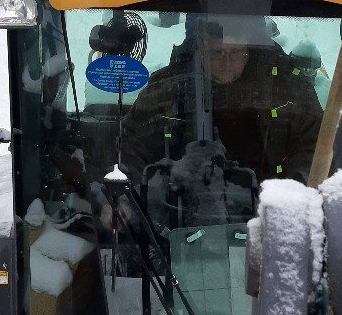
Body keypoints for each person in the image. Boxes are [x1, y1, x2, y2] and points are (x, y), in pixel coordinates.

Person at [120, 15, 323, 198]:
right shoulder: (170, 87)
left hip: (270, 214)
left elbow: (316, 144)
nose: (226, 62)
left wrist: (298, 191)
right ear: (200, 49)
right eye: (217, 52)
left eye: (236, 52)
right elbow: (130, 144)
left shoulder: (285, 87)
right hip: (176, 215)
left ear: (248, 50)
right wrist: (125, 197)